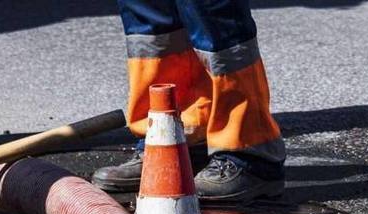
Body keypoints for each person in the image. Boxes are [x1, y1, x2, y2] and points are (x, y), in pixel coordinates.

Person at [93, 0, 286, 202]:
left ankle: (250, 156)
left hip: (248, 148)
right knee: (148, 12)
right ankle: (173, 142)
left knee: (210, 12)